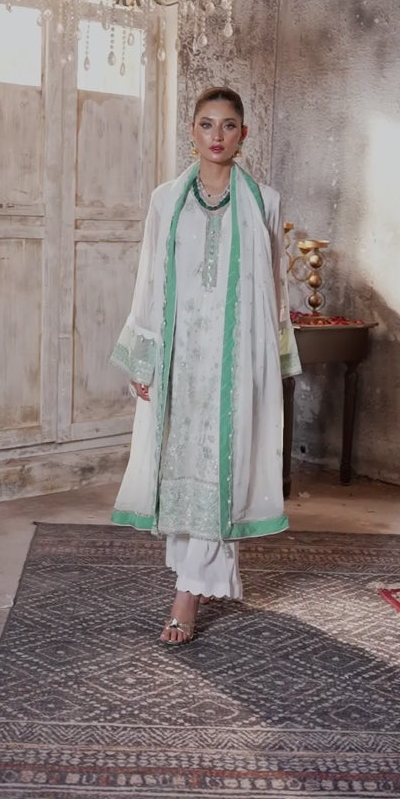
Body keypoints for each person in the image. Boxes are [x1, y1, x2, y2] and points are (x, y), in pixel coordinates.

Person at [110, 85, 301, 646]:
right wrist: (144, 360)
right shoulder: (165, 200)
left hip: (235, 362)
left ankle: (187, 596)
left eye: (229, 125)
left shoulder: (265, 201)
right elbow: (149, 280)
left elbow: (274, 288)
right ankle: (200, 575)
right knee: (182, 469)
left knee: (224, 467)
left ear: (244, 134)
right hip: (179, 358)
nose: (217, 135)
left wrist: (271, 366)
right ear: (191, 132)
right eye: (206, 124)